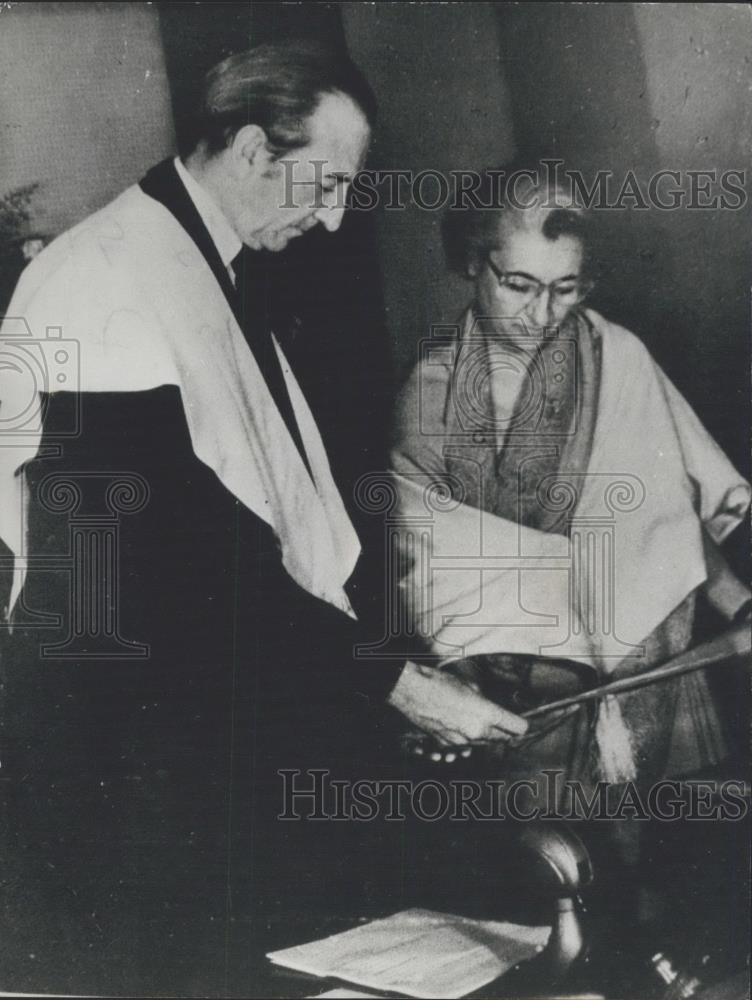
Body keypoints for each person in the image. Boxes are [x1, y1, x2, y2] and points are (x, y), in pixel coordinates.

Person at [0, 43, 526, 995]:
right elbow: (176, 557)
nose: (331, 217)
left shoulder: (205, 258)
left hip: (187, 709)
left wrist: (372, 679)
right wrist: (385, 682)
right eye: (323, 184)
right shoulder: (108, 277)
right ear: (250, 149)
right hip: (118, 756)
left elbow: (256, 522)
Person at [390, 165, 750, 813]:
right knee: (559, 872)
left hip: (655, 663)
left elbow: (672, 507)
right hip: (530, 693)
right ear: (474, 264)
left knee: (669, 864)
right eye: (520, 285)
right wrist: (453, 687)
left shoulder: (621, 356)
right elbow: (425, 564)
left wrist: (740, 605)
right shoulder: (430, 394)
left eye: (566, 289)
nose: (542, 313)